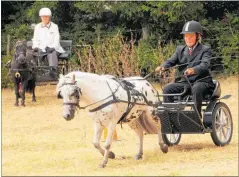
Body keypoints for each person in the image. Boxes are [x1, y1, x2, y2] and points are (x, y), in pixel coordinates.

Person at [155, 20, 215, 117]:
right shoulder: (180, 50)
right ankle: (170, 118)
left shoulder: (205, 49)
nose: (188, 39)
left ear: (198, 36)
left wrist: (194, 70)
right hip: (185, 82)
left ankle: (197, 117)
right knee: (167, 89)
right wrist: (163, 66)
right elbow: (171, 61)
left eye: (191, 36)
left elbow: (205, 64)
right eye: (186, 36)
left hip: (201, 81)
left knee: (196, 88)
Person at [32, 7, 65, 76]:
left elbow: (57, 39)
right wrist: (36, 47)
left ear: (49, 17)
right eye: (43, 17)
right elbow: (35, 39)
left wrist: (52, 47)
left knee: (52, 53)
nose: (44, 18)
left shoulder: (54, 26)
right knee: (34, 54)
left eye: (46, 17)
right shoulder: (37, 27)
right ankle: (35, 73)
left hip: (53, 48)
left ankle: (53, 71)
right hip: (42, 48)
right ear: (40, 17)